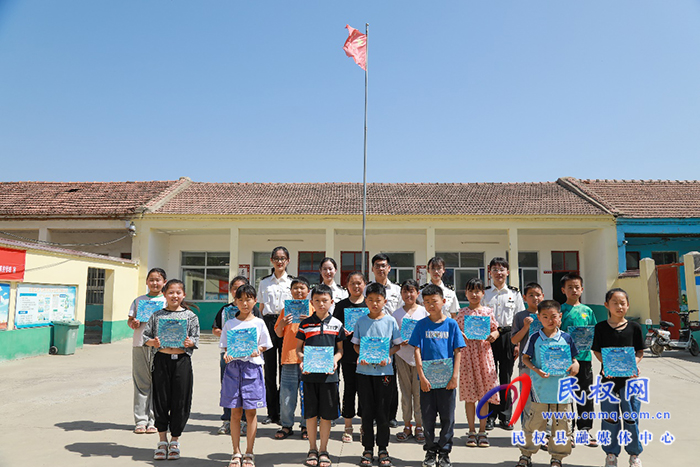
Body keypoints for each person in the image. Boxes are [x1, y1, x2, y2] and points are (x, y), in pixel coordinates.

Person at [142, 279, 200, 461]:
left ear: (183, 295)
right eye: (171, 293)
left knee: (180, 400)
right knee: (161, 399)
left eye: (178, 293)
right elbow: (146, 337)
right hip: (161, 360)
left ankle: (175, 440)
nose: (174, 296)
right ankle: (162, 440)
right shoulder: (157, 315)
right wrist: (154, 342)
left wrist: (191, 343)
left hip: (182, 361)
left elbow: (195, 339)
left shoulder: (190, 316)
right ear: (165, 295)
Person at [517, 300, 579, 467]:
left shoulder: (566, 337)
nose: (550, 320)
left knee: (561, 425)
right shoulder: (535, 337)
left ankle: (557, 458)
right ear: (539, 317)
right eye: (545, 317)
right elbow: (525, 358)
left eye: (554, 316)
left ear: (560, 317)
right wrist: (536, 370)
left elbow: (574, 359)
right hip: (540, 390)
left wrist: (575, 365)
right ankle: (526, 455)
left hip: (562, 391)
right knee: (534, 423)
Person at [409, 284, 466, 467]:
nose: (431, 305)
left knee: (448, 417)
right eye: (426, 302)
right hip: (427, 381)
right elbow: (416, 350)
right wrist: (422, 376)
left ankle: (444, 451)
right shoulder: (421, 325)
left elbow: (458, 350)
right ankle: (430, 450)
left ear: (443, 301)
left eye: (434, 301)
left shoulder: (451, 324)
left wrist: (455, 376)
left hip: (447, 380)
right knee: (427, 417)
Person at [219, 283, 272, 467]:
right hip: (233, 369)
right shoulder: (230, 323)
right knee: (235, 412)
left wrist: (258, 349)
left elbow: (265, 344)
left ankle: (249, 452)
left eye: (248, 299)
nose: (245, 303)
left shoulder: (259, 322)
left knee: (251, 412)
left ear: (255, 301)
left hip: (252, 369)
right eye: (240, 300)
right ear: (235, 302)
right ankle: (236, 452)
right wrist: (227, 354)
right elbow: (226, 347)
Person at [591, 288, 645, 467]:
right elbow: (597, 351)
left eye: (623, 303)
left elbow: (639, 351)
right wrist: (606, 365)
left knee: (631, 417)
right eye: (615, 302)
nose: (619, 306)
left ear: (628, 306)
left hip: (630, 381)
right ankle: (611, 454)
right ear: (607, 305)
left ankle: (634, 454)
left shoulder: (634, 328)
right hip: (608, 381)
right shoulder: (600, 327)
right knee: (610, 417)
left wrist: (635, 364)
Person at [352, 282, 403, 467]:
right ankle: (367, 449)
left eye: (378, 300)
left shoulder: (390, 321)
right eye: (371, 300)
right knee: (367, 412)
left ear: (385, 301)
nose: (374, 303)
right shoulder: (361, 321)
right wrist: (362, 355)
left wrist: (386, 354)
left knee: (382, 412)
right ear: (366, 301)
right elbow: (356, 345)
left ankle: (383, 448)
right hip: (364, 372)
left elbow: (397, 345)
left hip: (384, 372)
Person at [296, 284, 345, 467]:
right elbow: (298, 349)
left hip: (329, 377)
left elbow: (340, 350)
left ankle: (324, 449)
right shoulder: (305, 324)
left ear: (331, 302)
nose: (321, 304)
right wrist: (302, 360)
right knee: (310, 414)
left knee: (326, 415)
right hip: (309, 376)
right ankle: (312, 448)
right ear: (312, 302)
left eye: (325, 300)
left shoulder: (337, 324)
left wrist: (335, 360)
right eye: (317, 300)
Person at [212, 276, 262, 436]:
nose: (238, 291)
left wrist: (257, 349)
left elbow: (260, 335)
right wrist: (220, 333)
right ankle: (227, 420)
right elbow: (216, 328)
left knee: (248, 391)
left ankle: (245, 422)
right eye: (235, 288)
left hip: (249, 358)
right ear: (232, 291)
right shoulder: (225, 310)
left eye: (242, 288)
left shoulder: (255, 312)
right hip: (229, 356)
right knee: (229, 389)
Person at [456, 278, 500, 448]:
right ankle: (471, 431)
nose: (474, 294)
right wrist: (461, 334)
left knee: (484, 395)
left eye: (478, 291)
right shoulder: (462, 313)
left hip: (484, 355)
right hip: (467, 357)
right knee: (469, 395)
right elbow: (456, 332)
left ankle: (483, 431)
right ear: (465, 293)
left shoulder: (488, 312)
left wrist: (494, 335)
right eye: (470, 291)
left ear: (483, 293)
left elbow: (495, 329)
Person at [482, 257, 525, 430]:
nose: (499, 273)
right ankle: (491, 415)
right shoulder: (485, 293)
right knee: (491, 377)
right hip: (489, 337)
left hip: (509, 336)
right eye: (495, 269)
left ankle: (506, 416)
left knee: (506, 377)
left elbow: (520, 319)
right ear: (490, 272)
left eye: (502, 269)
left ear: (508, 272)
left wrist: (518, 344)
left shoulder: (514, 294)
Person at [558, 273, 598, 446]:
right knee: (565, 396)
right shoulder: (560, 310)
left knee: (585, 395)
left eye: (577, 287)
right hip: (563, 360)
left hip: (584, 359)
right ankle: (568, 431)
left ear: (582, 289)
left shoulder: (588, 311)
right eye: (570, 287)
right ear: (563, 290)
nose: (574, 290)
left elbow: (594, 334)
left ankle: (584, 430)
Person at [127, 267, 167, 434]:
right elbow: (130, 321)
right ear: (146, 282)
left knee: (159, 383)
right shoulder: (138, 301)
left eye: (158, 280)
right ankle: (141, 421)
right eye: (151, 279)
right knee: (141, 383)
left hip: (161, 347)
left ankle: (154, 420)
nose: (154, 283)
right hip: (140, 344)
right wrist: (133, 323)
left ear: (164, 282)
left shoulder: (167, 301)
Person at [258, 246, 293, 425]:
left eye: (283, 258)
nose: (280, 261)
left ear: (288, 261)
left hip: (287, 325)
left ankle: (284, 411)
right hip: (269, 324)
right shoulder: (264, 282)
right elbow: (261, 308)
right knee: (269, 371)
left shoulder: (292, 283)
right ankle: (272, 412)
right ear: (272, 260)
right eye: (277, 258)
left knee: (285, 370)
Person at [365, 253, 402, 427]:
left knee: (390, 378)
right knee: (372, 379)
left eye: (383, 265)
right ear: (372, 269)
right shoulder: (367, 289)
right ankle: (372, 415)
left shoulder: (396, 290)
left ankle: (390, 415)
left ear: (389, 268)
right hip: (371, 336)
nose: (380, 268)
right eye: (377, 265)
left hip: (390, 335)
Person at [274, 276, 311, 440]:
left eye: (302, 288)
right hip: (289, 357)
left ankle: (306, 426)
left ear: (308, 291)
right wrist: (282, 322)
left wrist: (309, 321)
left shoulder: (313, 308)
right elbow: (278, 332)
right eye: (295, 288)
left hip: (308, 359)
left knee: (307, 394)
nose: (299, 291)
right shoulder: (285, 310)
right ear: (290, 291)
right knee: (287, 394)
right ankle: (287, 425)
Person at [391, 279, 428, 443]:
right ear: (401, 294)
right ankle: (407, 425)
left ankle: (420, 425)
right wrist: (400, 341)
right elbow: (392, 336)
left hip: (420, 358)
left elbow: (428, 334)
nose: (408, 294)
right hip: (402, 356)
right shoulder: (396, 314)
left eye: (412, 291)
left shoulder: (424, 312)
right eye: (405, 292)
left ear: (417, 293)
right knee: (406, 393)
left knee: (419, 393)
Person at [332, 271, 367, 443]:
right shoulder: (341, 305)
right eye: (352, 283)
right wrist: (343, 332)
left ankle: (363, 425)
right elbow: (334, 328)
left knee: (364, 390)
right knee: (349, 389)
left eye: (359, 283)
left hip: (367, 355)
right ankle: (347, 426)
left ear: (364, 284)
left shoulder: (369, 304)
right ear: (347, 285)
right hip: (347, 354)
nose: (356, 286)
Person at [510, 282, 545, 428]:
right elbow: (514, 339)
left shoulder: (548, 314)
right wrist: (526, 327)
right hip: (526, 364)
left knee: (544, 399)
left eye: (538, 295)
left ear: (543, 296)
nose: (535, 298)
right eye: (531, 295)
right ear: (524, 298)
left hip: (545, 364)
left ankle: (545, 431)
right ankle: (527, 431)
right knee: (527, 400)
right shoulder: (520, 316)